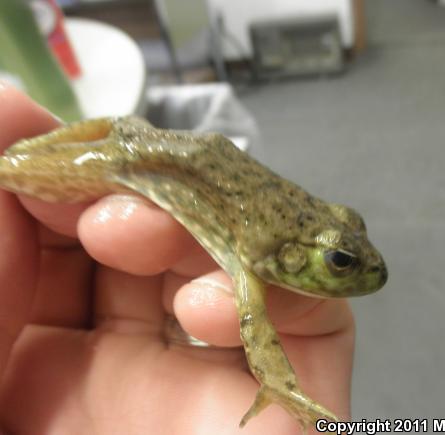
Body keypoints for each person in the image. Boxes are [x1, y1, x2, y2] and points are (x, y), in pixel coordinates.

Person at [0, 83, 354, 434]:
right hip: (124, 159)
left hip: (137, 137)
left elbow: (120, 123)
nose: (349, 266)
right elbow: (255, 327)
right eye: (339, 261)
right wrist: (280, 385)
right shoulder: (250, 272)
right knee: (7, 170)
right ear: (292, 254)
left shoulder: (258, 256)